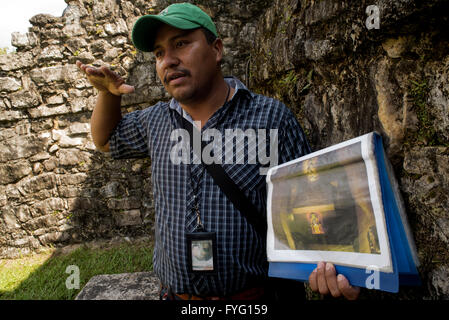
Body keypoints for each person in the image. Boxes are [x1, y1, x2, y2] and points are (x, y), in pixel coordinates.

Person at [76, 2, 360, 300]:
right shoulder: (155, 121)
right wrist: (106, 92)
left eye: (181, 43)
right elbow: (106, 139)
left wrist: (338, 268)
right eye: (159, 53)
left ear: (217, 50)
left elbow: (312, 203)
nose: (168, 60)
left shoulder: (271, 118)